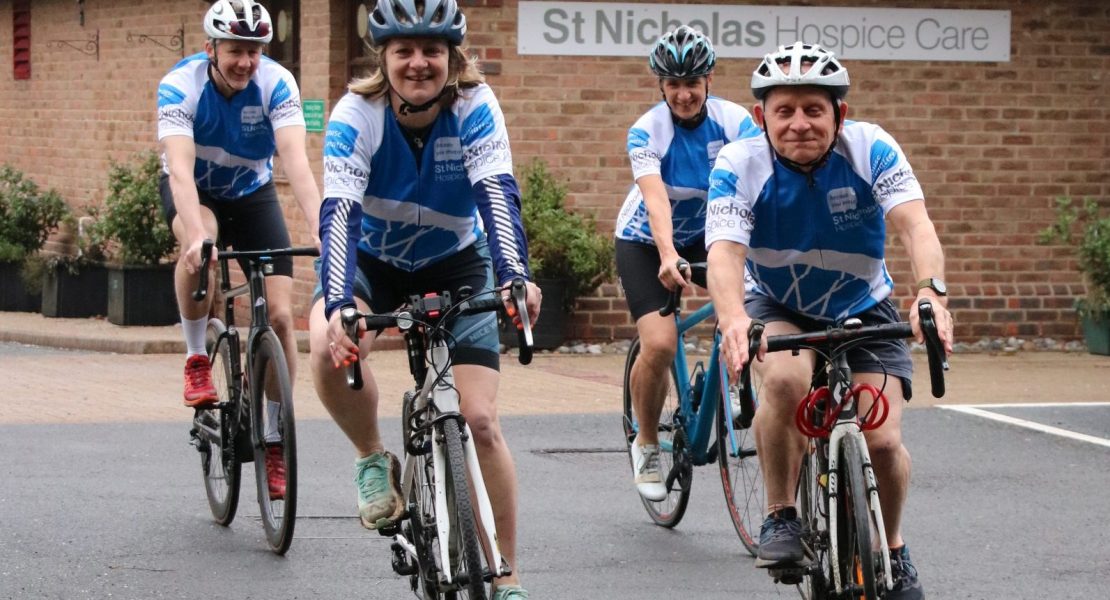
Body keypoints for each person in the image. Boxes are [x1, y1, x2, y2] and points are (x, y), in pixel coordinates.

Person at [706, 42, 955, 600]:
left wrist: (931, 294)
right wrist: (730, 319)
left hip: (863, 306)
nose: (799, 124)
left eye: (814, 110)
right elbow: (723, 252)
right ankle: (781, 515)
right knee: (789, 383)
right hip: (778, 304)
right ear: (759, 117)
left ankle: (893, 549)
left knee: (884, 441)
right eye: (784, 111)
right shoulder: (739, 163)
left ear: (839, 114)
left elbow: (916, 225)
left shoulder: (871, 148)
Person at [309, 1, 540, 598]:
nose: (418, 63)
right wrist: (340, 304)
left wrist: (515, 276)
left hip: (457, 261)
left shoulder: (473, 107)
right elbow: (339, 215)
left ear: (451, 57)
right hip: (372, 264)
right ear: (382, 58)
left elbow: (497, 194)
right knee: (324, 341)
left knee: (482, 422)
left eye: (432, 51)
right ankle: (370, 455)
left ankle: (508, 576)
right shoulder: (355, 114)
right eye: (404, 51)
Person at [157, 0, 321, 498]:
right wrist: (195, 234)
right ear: (211, 49)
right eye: (235, 51)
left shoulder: (277, 84)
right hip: (197, 192)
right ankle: (195, 357)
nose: (246, 62)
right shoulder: (180, 86)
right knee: (199, 248)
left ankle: (273, 438)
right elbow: (180, 172)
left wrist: (322, 228)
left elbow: (296, 159)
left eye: (254, 51)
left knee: (278, 316)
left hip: (252, 193)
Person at [615, 25, 760, 501]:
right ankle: (647, 442)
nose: (683, 94)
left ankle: (736, 387)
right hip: (645, 240)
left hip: (709, 234)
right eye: (673, 84)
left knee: (738, 310)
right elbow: (656, 200)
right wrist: (667, 254)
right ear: (661, 85)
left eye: (692, 83)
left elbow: (759, 185)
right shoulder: (648, 130)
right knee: (659, 343)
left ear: (709, 80)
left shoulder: (737, 123)